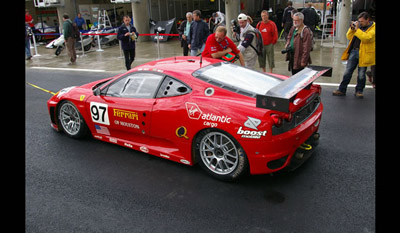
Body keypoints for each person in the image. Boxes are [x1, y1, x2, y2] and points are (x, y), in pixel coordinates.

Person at [332, 12, 375, 98]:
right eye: (359, 21)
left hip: (364, 53)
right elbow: (348, 36)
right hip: (354, 51)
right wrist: (352, 29)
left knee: (361, 73)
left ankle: (359, 90)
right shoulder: (358, 28)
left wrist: (357, 29)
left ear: (368, 20)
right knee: (348, 72)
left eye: (362, 21)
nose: (360, 23)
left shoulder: (373, 29)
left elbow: (366, 38)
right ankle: (342, 89)